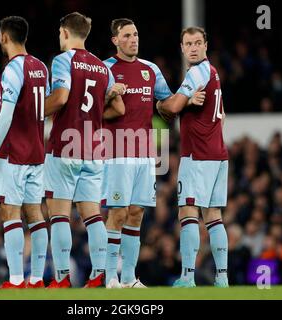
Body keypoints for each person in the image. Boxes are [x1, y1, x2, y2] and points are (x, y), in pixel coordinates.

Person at [43, 12, 125, 288]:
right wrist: (95, 114)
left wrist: (34, 112)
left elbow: (62, 96)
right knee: (92, 215)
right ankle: (99, 274)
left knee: (59, 214)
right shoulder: (104, 68)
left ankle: (62, 278)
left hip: (65, 146)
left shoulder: (63, 60)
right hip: (94, 148)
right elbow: (119, 109)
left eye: (59, 33)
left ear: (65, 32)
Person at [101, 18, 173, 289]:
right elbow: (90, 105)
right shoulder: (105, 68)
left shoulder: (150, 69)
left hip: (145, 154)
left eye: (136, 34)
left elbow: (166, 100)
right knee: (117, 213)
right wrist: (109, 94)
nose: (134, 39)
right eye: (128, 35)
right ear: (115, 40)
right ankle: (110, 277)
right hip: (117, 152)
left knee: (136, 213)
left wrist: (189, 99)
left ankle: (129, 278)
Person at [0, 16, 50, 289]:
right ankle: (37, 279)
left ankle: (17, 280)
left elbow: (6, 114)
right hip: (36, 153)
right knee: (35, 214)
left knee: (10, 213)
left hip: (13, 154)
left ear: (4, 37)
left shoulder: (12, 69)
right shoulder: (41, 67)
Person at [157, 27, 229, 288]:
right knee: (213, 216)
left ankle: (187, 277)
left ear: (206, 45)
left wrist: (162, 105)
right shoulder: (213, 73)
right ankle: (222, 278)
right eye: (189, 44)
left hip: (197, 154)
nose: (194, 48)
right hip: (218, 153)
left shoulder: (197, 71)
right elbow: (221, 114)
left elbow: (172, 107)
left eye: (198, 43)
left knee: (188, 212)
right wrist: (187, 103)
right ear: (182, 47)